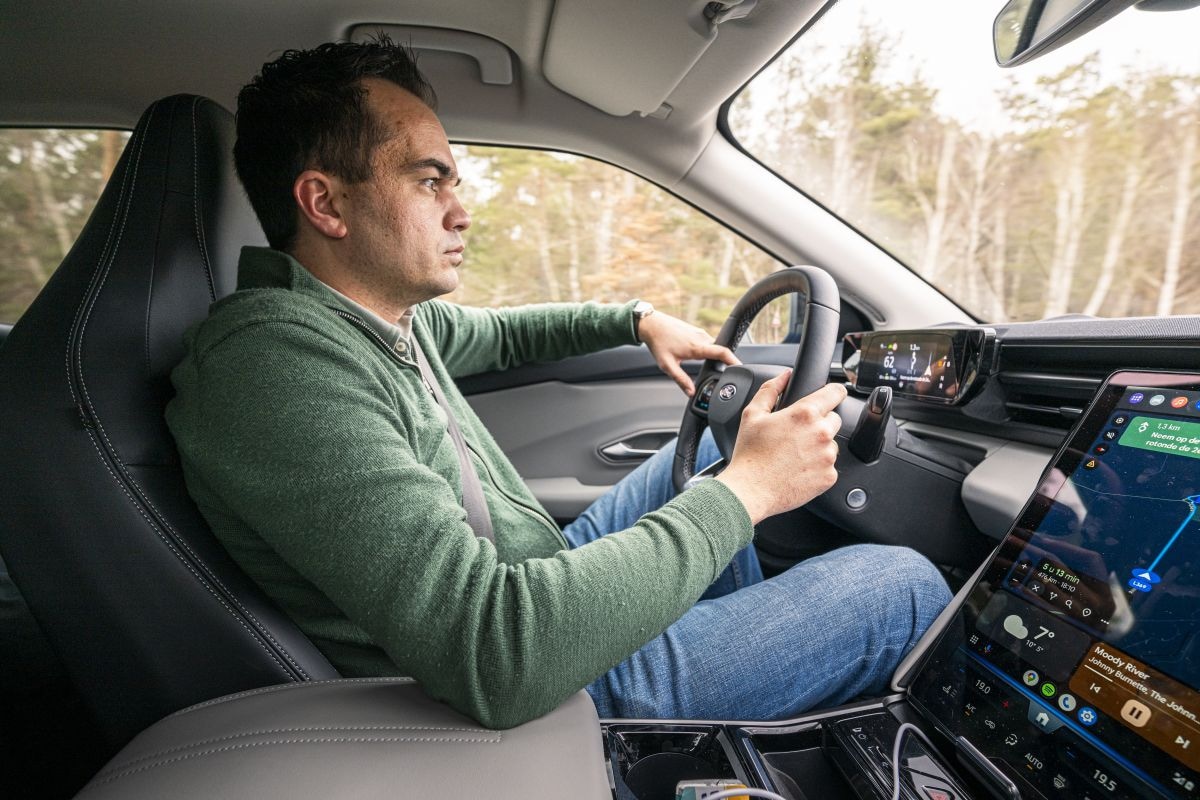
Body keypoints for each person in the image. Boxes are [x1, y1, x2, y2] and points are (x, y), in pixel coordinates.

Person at [165, 38, 950, 729]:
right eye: (430, 181)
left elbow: (509, 333)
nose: (461, 211)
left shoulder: (371, 320)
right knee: (901, 583)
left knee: (706, 461)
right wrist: (748, 491)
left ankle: (728, 697)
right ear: (326, 203)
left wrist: (638, 320)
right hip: (537, 687)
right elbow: (496, 653)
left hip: (534, 587)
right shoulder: (271, 366)